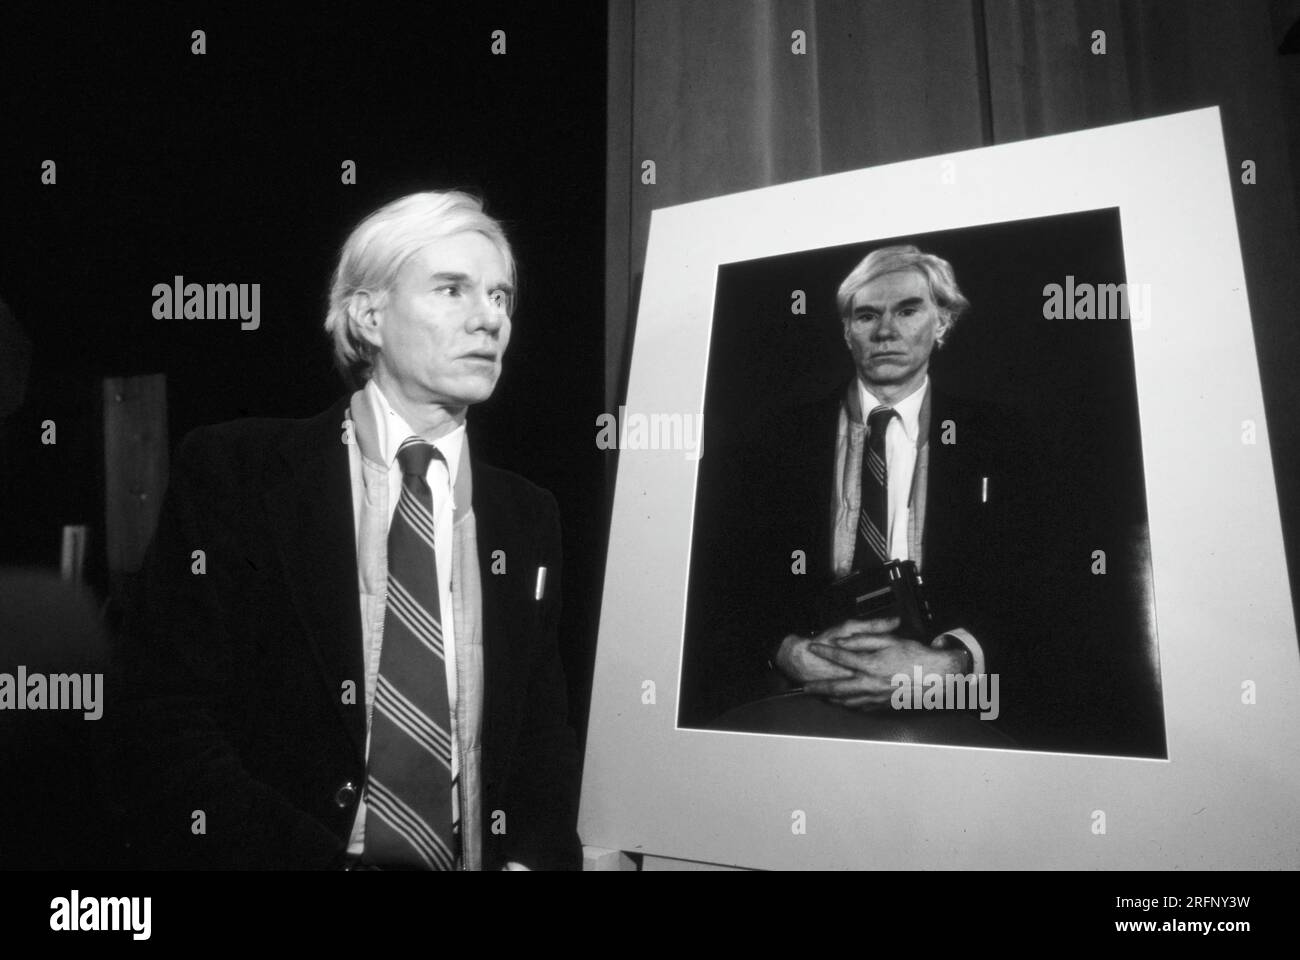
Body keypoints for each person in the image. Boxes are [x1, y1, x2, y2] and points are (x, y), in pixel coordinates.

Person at [116, 190, 581, 870]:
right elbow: (164, 723)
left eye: (502, 296)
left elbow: (543, 740)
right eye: (453, 289)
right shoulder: (236, 474)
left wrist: (532, 861)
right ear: (369, 316)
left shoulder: (528, 515)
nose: (490, 319)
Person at [681, 245, 1043, 732]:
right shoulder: (771, 440)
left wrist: (952, 666)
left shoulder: (1007, 440)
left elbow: (1047, 588)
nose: (886, 331)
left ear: (943, 322)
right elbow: (715, 581)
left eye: (908, 310)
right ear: (847, 332)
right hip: (798, 699)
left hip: (954, 708)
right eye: (867, 315)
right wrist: (786, 651)